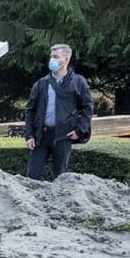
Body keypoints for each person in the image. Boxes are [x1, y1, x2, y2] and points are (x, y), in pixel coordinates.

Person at [24, 44, 92, 180]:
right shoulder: (41, 83)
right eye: (51, 57)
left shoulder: (79, 82)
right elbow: (30, 110)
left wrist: (80, 130)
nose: (52, 60)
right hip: (41, 136)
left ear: (66, 59)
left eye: (56, 57)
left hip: (63, 136)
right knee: (31, 176)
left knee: (61, 177)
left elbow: (87, 108)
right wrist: (29, 135)